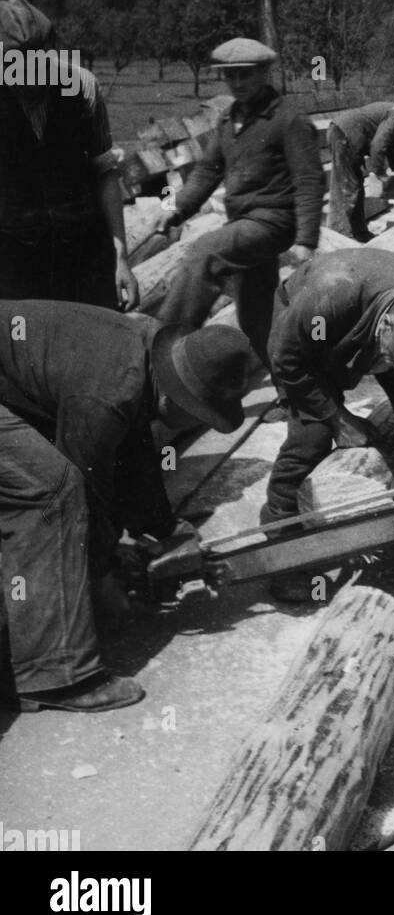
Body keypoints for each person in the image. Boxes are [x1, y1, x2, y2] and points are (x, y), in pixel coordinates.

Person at [0, 301, 251, 712]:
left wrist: (165, 531)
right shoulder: (112, 389)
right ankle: (54, 676)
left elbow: (134, 456)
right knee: (51, 490)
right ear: (179, 397)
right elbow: (86, 487)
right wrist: (101, 575)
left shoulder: (139, 354)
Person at [262, 249, 394, 598]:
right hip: (311, 337)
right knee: (310, 438)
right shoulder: (331, 297)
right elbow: (286, 360)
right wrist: (338, 418)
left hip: (367, 323)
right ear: (389, 324)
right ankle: (282, 551)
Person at [157, 38, 325, 369]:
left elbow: (309, 181)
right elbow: (207, 171)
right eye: (229, 76)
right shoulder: (227, 119)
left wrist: (306, 241)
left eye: (244, 75)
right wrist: (176, 210)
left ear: (264, 73)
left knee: (203, 254)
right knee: (256, 316)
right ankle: (292, 388)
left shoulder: (288, 119)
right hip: (243, 223)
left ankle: (162, 347)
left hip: (274, 221)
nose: (236, 84)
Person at [0, 0, 139, 309]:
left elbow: (105, 173)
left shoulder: (82, 87)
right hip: (13, 262)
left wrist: (122, 259)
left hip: (82, 256)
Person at [327, 97, 394, 242]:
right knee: (346, 188)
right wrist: (378, 173)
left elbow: (392, 150)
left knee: (356, 188)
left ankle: (360, 232)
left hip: (349, 136)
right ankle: (339, 235)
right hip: (344, 135)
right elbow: (378, 144)